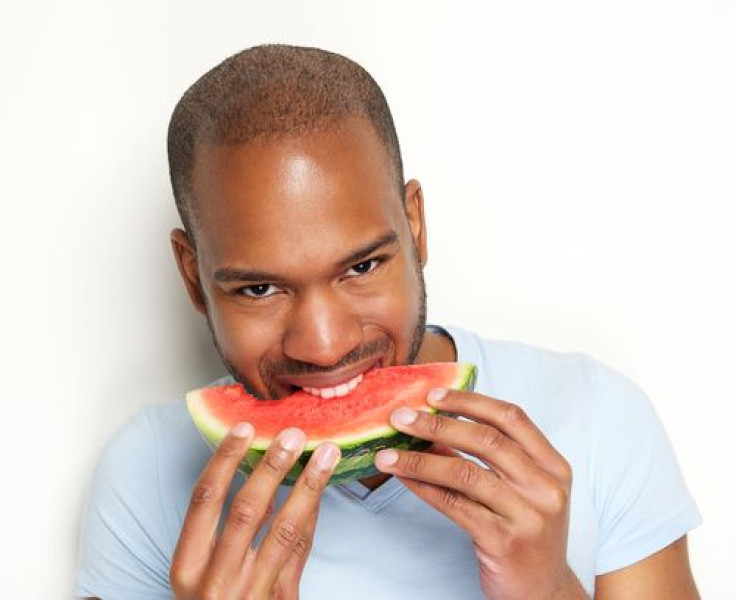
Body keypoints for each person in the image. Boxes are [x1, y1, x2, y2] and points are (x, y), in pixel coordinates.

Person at [74, 44, 701, 599]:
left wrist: (549, 593)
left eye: (362, 266)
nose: (322, 346)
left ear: (416, 226)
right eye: (260, 288)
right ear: (192, 276)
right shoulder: (147, 473)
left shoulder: (599, 418)